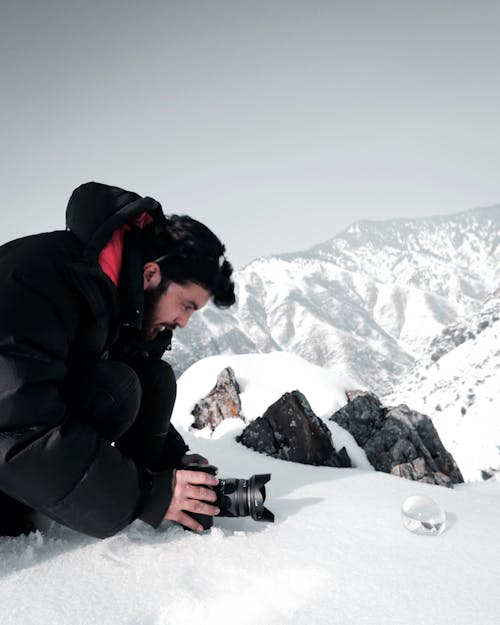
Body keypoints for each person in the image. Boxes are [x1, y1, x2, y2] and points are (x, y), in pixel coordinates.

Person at [0, 181, 236, 538]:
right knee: (122, 384)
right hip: (11, 441)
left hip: (16, 438)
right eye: (186, 305)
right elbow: (19, 426)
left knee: (144, 377)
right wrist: (148, 495)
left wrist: (169, 464)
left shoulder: (110, 298)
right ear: (151, 274)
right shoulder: (37, 281)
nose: (184, 322)